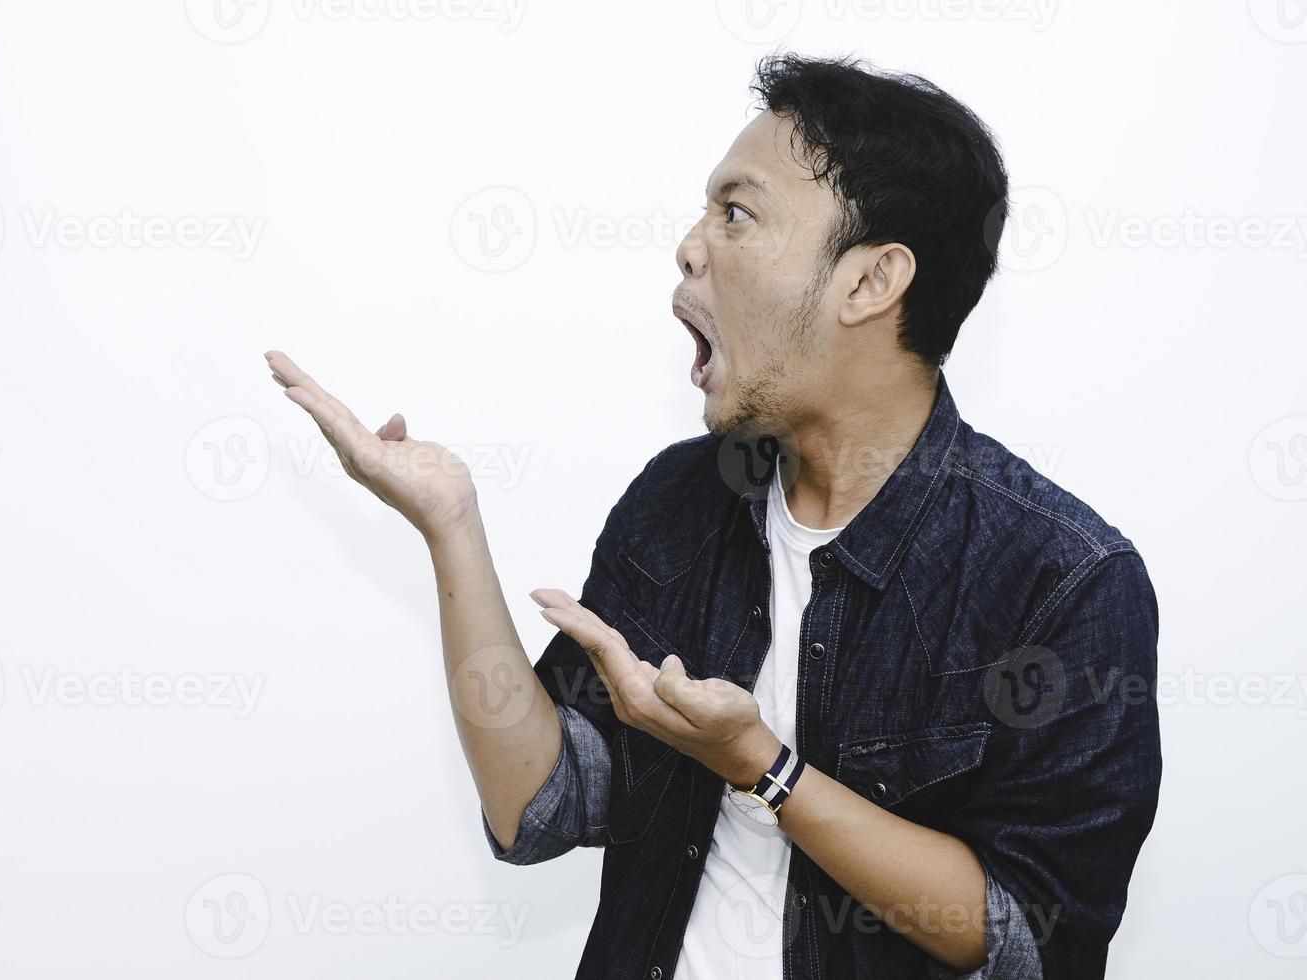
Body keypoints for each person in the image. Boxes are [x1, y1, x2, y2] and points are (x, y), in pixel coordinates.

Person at [264, 54, 1161, 980]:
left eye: (737, 213)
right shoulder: (680, 501)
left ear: (870, 283)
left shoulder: (1062, 576)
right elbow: (537, 806)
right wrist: (449, 526)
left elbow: (1029, 937)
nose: (692, 247)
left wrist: (762, 766)